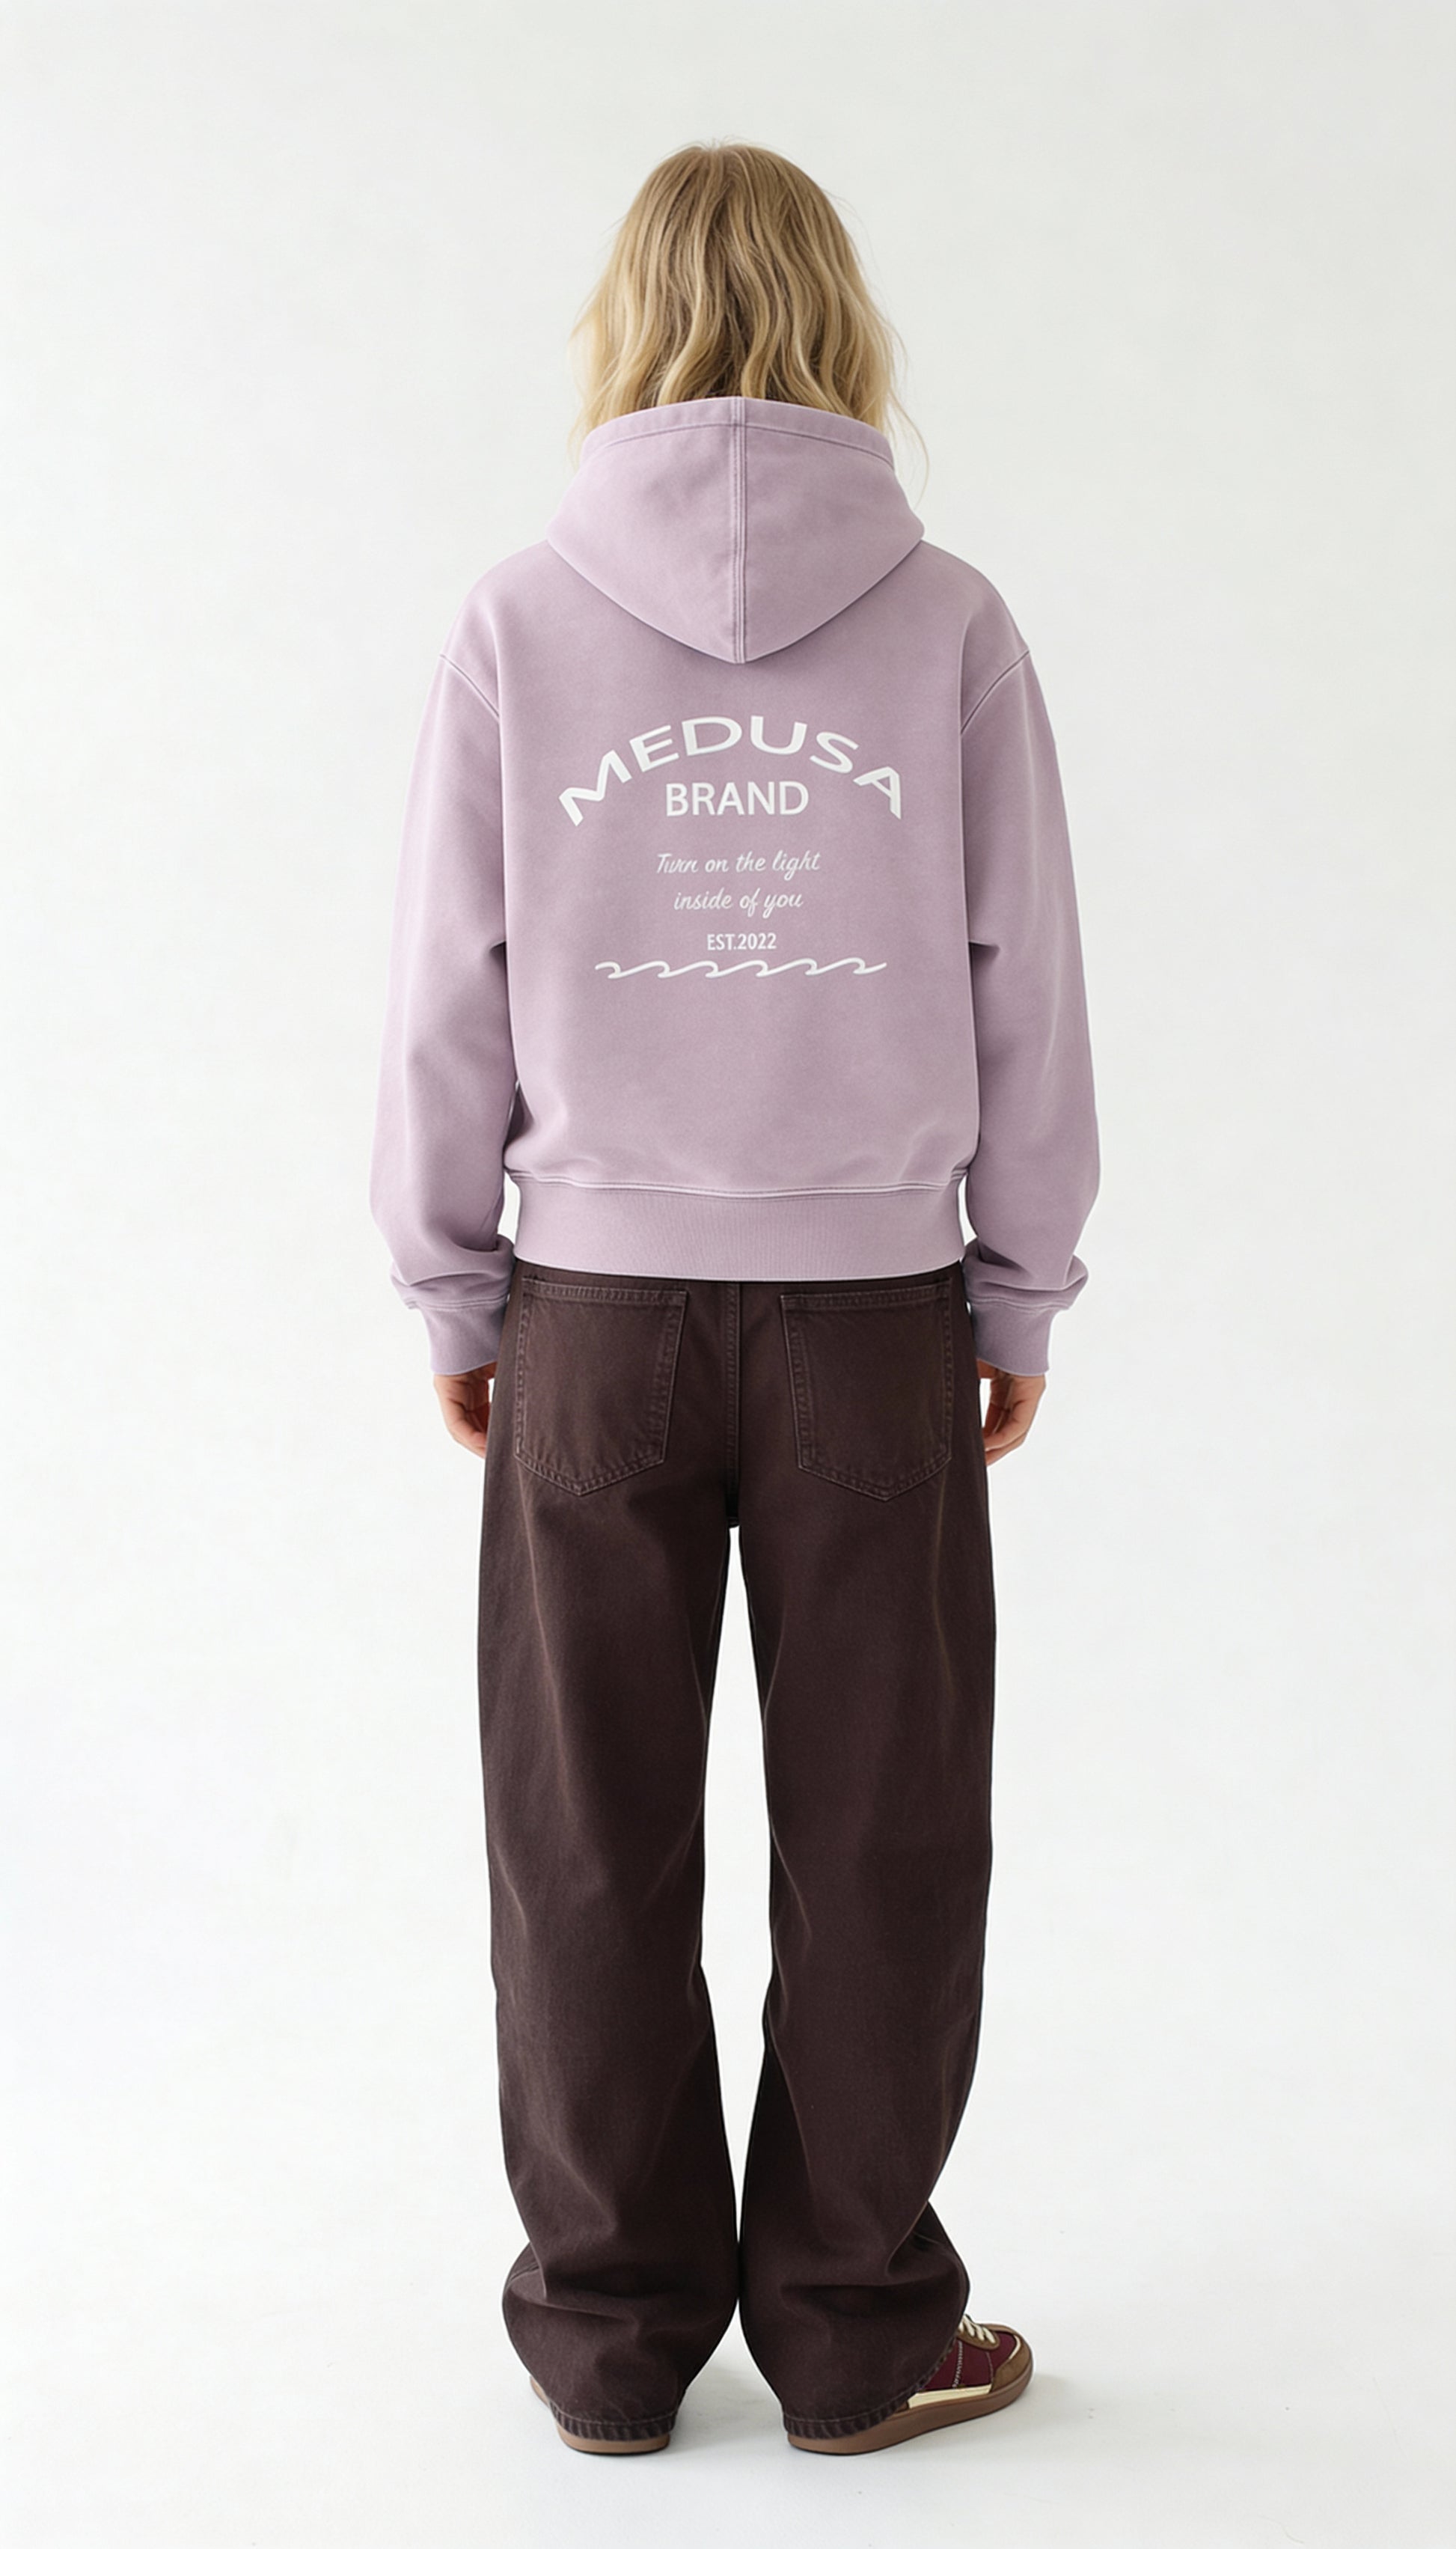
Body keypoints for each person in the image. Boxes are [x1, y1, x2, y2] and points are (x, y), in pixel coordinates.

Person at [369, 139, 1100, 2458]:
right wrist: (1015, 1284)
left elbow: (446, 981)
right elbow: (1025, 982)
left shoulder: (519, 618)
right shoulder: (947, 619)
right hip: (871, 1319)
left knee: (584, 1836)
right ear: (837, 321)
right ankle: (855, 2337)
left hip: (588, 1319)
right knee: (882, 1831)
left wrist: (454, 1282)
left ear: (626, 323)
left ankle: (607, 2345)